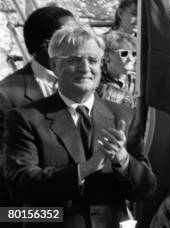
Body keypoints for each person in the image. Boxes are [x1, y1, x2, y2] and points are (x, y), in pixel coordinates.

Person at [3, 24, 157, 228]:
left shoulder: (123, 115)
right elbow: (20, 184)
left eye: (92, 60)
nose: (85, 68)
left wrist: (123, 160)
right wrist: (83, 170)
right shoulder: (27, 118)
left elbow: (146, 188)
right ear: (55, 65)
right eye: (74, 60)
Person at [0, 6, 75, 214]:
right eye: (72, 35)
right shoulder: (7, 95)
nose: (81, 39)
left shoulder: (89, 84)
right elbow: (9, 172)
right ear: (47, 45)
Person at [97, 30, 137, 109]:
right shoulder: (95, 80)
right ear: (107, 56)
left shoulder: (138, 82)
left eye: (134, 54)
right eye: (124, 53)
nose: (131, 58)